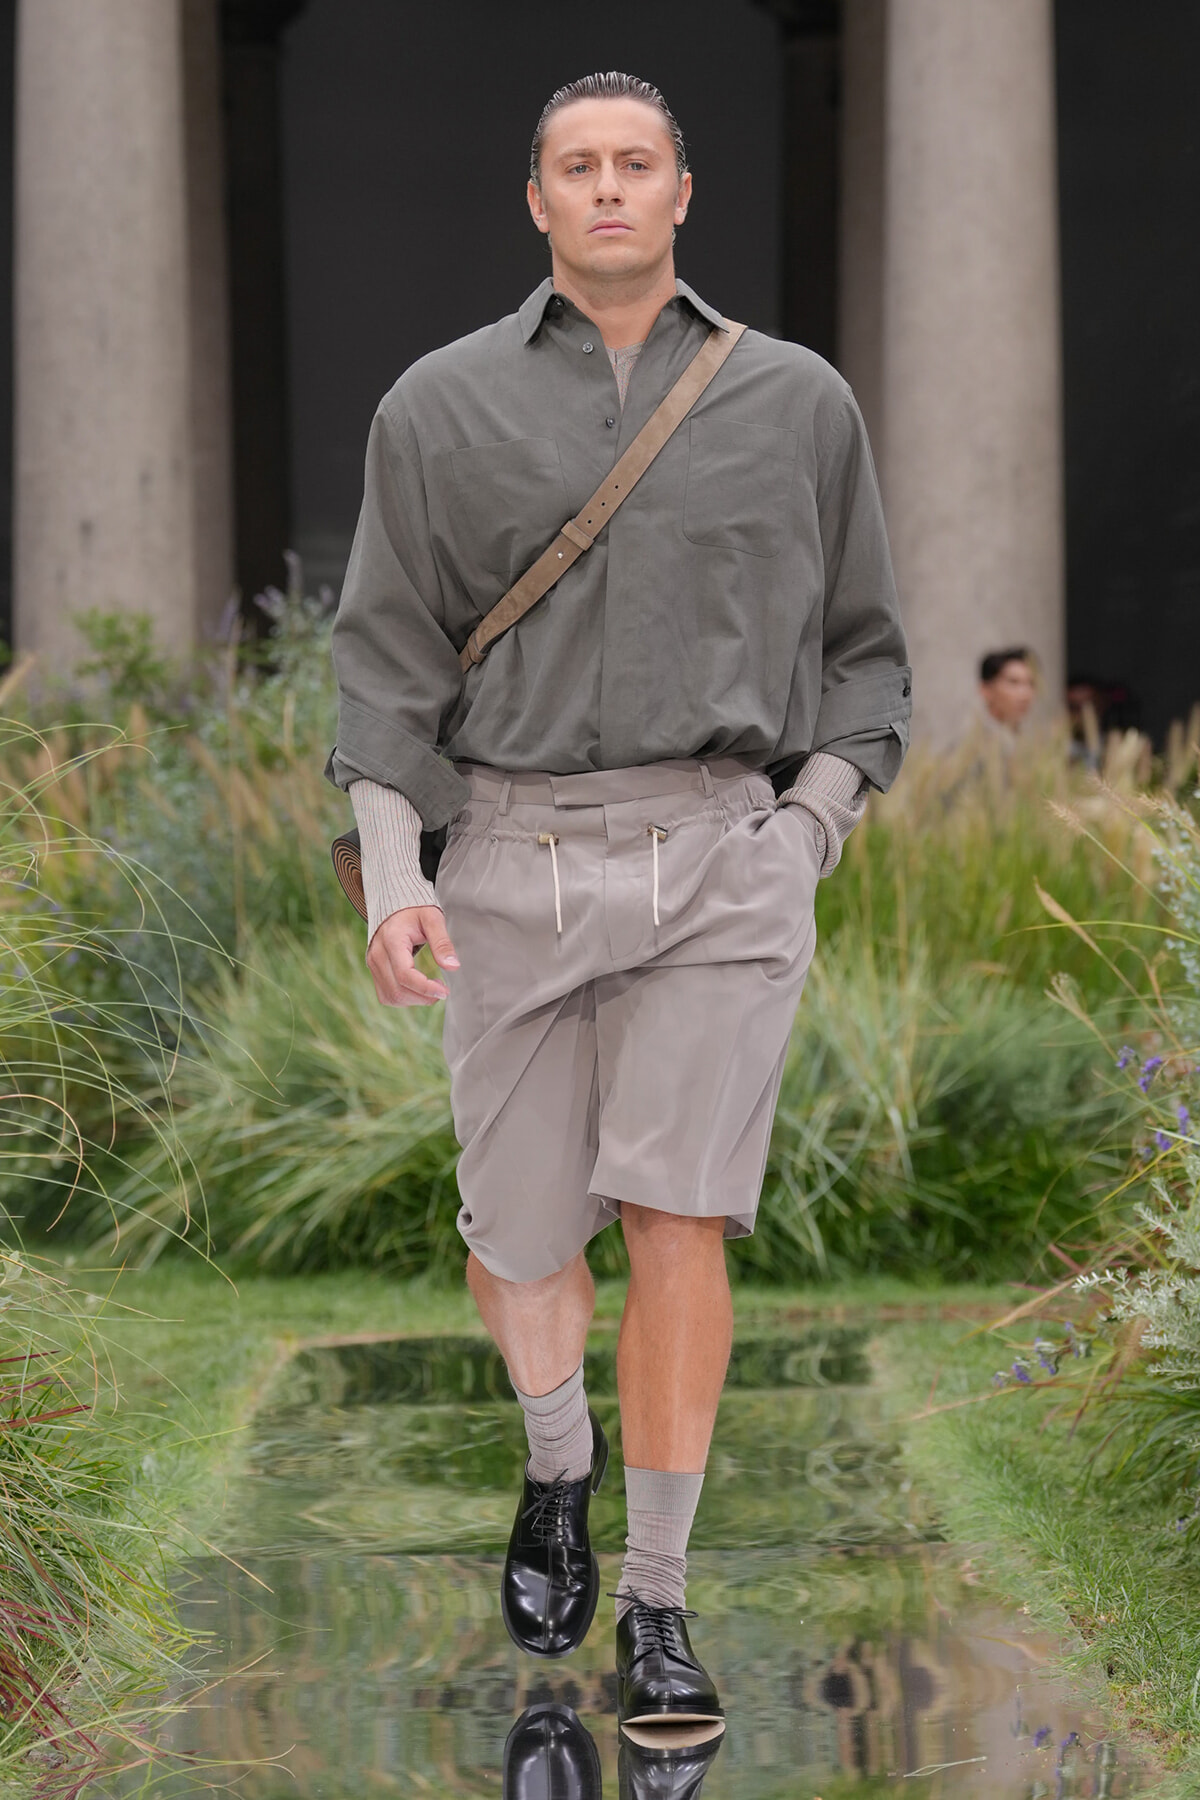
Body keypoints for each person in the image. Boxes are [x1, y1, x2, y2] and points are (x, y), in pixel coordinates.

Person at [324, 69, 910, 1780]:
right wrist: (395, 868)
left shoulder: (800, 404)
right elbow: (383, 666)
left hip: (722, 862)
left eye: (633, 164)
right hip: (508, 860)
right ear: (535, 202)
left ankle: (656, 1590)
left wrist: (809, 827)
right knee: (518, 1240)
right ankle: (558, 1460)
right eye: (575, 166)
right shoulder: (435, 410)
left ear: (681, 191)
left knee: (681, 1217)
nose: (605, 190)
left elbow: (869, 652)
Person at [977, 647, 1036, 733]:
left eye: (1031, 684)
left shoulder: (1032, 738)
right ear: (986, 689)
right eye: (1013, 682)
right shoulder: (972, 742)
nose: (1025, 694)